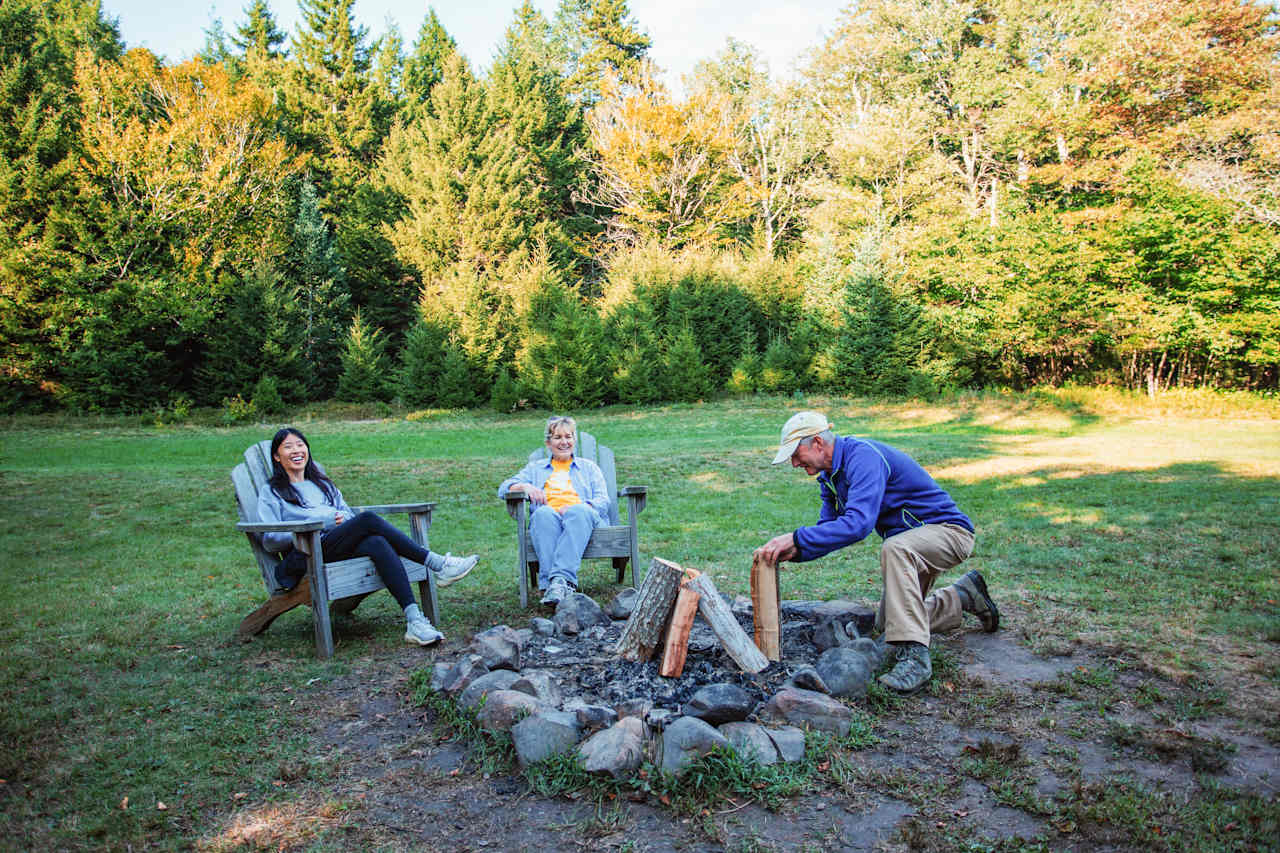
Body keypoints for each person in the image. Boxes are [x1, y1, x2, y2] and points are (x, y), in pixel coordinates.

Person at [756, 411, 999, 694]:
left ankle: (916, 660)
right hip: (911, 546)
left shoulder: (863, 458)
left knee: (894, 552)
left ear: (818, 443)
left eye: (797, 454)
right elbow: (831, 531)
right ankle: (963, 596)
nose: (795, 463)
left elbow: (858, 524)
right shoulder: (830, 478)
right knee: (889, 629)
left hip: (948, 533)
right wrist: (796, 550)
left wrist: (795, 537)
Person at [257, 427, 479, 646]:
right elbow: (269, 539)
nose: (296, 450)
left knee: (377, 543)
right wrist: (315, 525)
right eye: (288, 447)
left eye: (300, 445)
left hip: (335, 546)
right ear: (277, 456)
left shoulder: (322, 484)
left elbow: (345, 512)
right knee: (367, 520)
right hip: (305, 555)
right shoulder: (272, 491)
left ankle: (415, 621)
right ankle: (438, 564)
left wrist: (342, 520)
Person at [498, 415, 610, 606]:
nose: (564, 442)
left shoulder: (589, 468)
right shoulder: (535, 468)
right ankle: (558, 586)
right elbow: (504, 488)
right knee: (542, 513)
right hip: (550, 520)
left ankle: (557, 582)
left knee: (578, 512)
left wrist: (580, 507)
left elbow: (603, 500)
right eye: (558, 437)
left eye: (568, 436)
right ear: (548, 443)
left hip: (584, 520)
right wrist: (526, 487)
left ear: (574, 440)